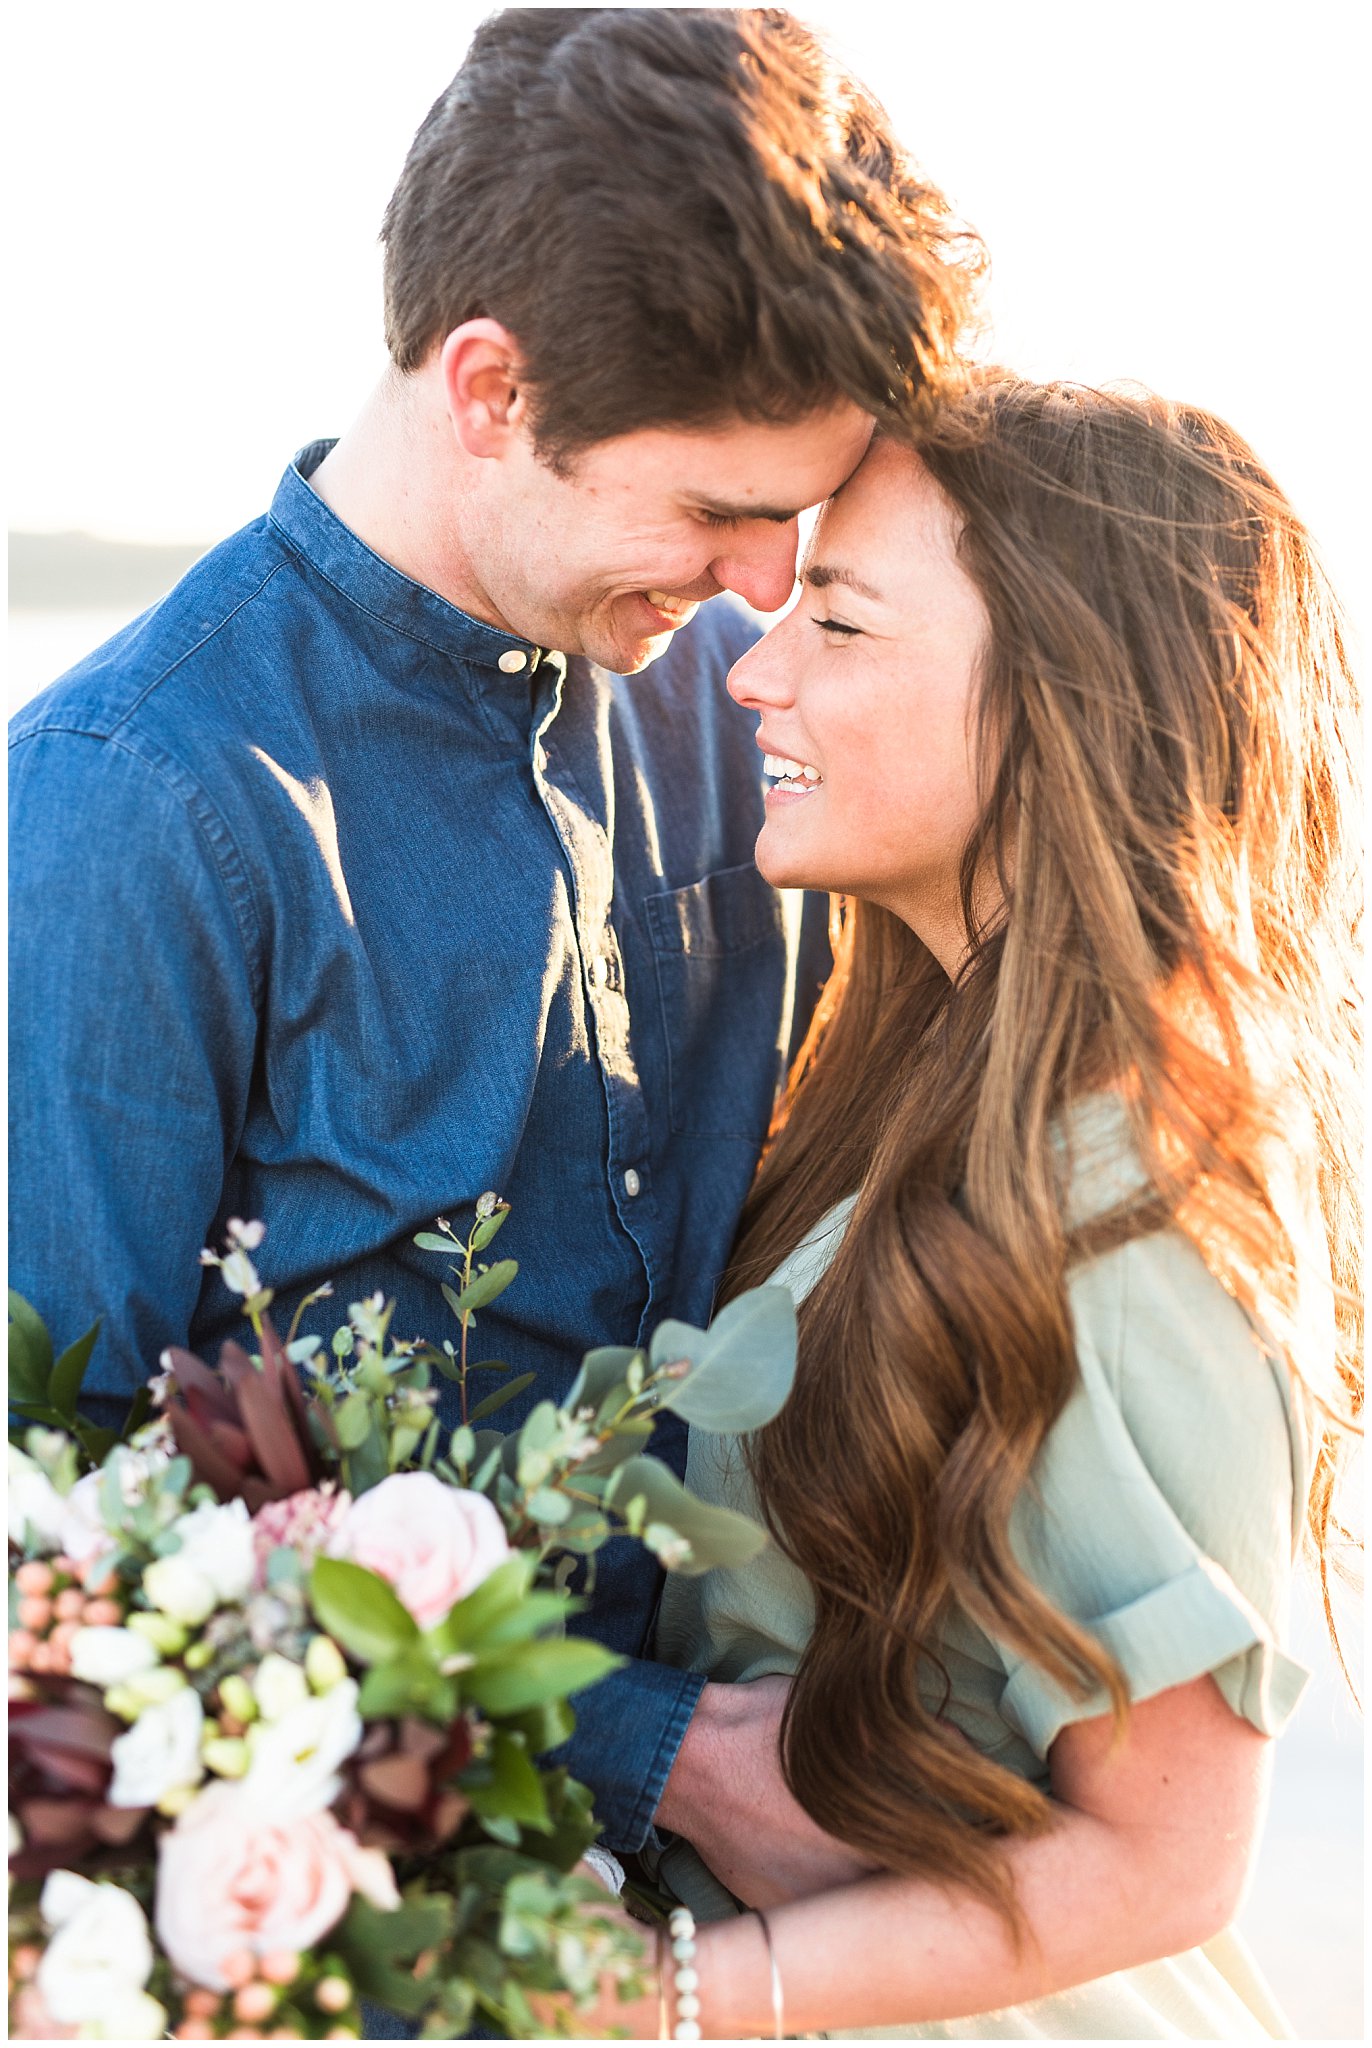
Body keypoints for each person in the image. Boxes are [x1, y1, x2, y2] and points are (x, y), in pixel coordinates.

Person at [7, 7, 983, 1896]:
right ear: (486, 387)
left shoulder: (743, 711)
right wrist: (662, 1759)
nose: (759, 584)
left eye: (790, 524)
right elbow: (66, 1528)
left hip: (812, 1874)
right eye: (716, 511)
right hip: (375, 1909)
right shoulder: (131, 806)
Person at [576, 377, 1361, 2036]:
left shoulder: (1134, 1197)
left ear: (1063, 700)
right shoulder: (917, 1083)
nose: (757, 669)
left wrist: (668, 1999)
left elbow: (1168, 1860)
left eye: (843, 627)